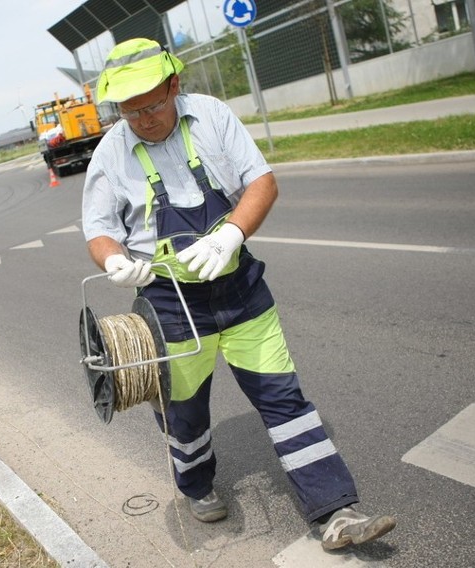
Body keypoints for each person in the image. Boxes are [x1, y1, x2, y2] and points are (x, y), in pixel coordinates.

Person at [81, 38, 395, 551]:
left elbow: (261, 182)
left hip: (241, 290)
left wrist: (231, 234)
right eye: (129, 111)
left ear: (174, 86)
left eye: (153, 105)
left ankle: (336, 511)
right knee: (183, 412)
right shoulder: (111, 151)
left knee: (284, 399)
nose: (143, 119)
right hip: (170, 306)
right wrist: (114, 260)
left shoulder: (210, 116)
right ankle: (197, 485)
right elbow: (98, 229)